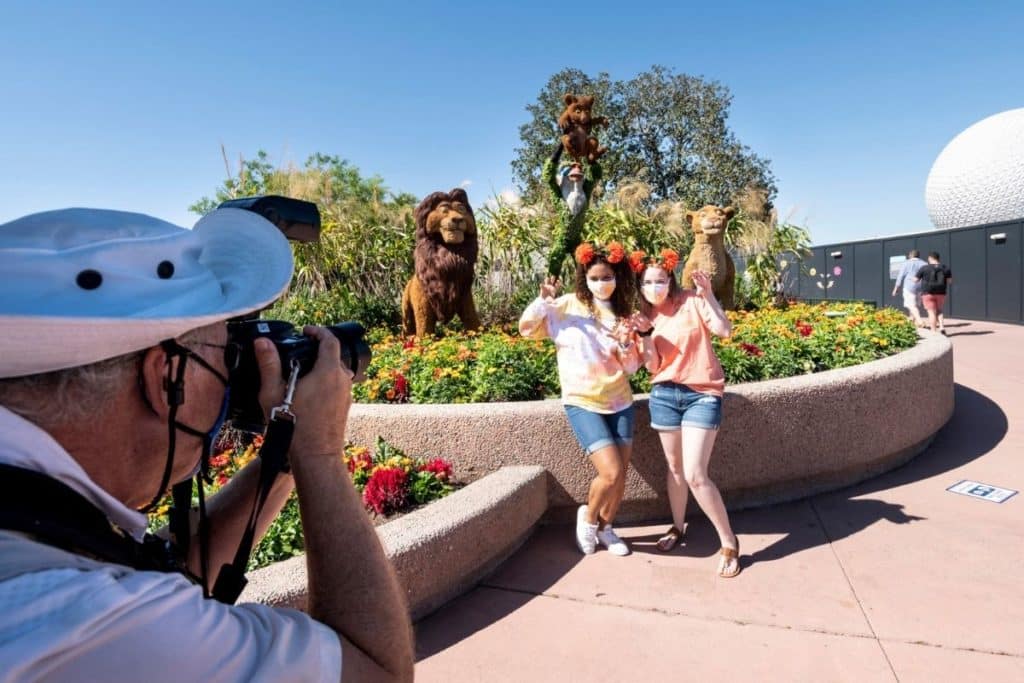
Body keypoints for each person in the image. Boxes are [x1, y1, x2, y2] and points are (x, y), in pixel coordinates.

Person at [0, 207, 414, 682]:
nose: (231, 378)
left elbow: (157, 570)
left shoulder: (35, 525)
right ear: (167, 375)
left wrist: (286, 447)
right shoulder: (92, 620)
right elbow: (379, 672)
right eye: (225, 354)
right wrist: (319, 452)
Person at [519, 241, 643, 557]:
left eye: (608, 277)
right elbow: (526, 329)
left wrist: (627, 345)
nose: (603, 283)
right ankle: (587, 520)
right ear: (583, 278)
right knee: (611, 472)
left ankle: (606, 528)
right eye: (596, 278)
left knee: (621, 476)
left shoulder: (622, 314)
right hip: (582, 401)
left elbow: (630, 368)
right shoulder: (566, 307)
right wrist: (542, 301)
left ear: (618, 278)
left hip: (620, 401)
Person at [630, 248, 741, 578]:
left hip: (702, 394)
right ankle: (678, 527)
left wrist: (709, 296)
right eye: (648, 282)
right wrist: (646, 336)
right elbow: (651, 366)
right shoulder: (644, 317)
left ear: (670, 279)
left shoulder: (693, 300)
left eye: (660, 280)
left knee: (695, 473)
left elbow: (724, 330)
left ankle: (729, 542)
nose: (654, 286)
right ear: (640, 285)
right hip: (664, 394)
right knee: (675, 468)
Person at [914, 251, 953, 335]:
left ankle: (933, 331)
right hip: (941, 292)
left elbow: (916, 280)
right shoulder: (945, 268)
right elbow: (950, 281)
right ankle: (942, 327)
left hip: (927, 293)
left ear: (930, 258)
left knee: (931, 312)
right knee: (939, 310)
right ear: (938, 258)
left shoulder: (924, 268)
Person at [892, 249, 928, 327]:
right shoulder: (924, 264)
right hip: (920, 286)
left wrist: (896, 288)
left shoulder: (906, 263)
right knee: (914, 304)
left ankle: (920, 321)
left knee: (911, 305)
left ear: (910, 255)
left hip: (909, 286)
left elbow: (900, 276)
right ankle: (911, 320)